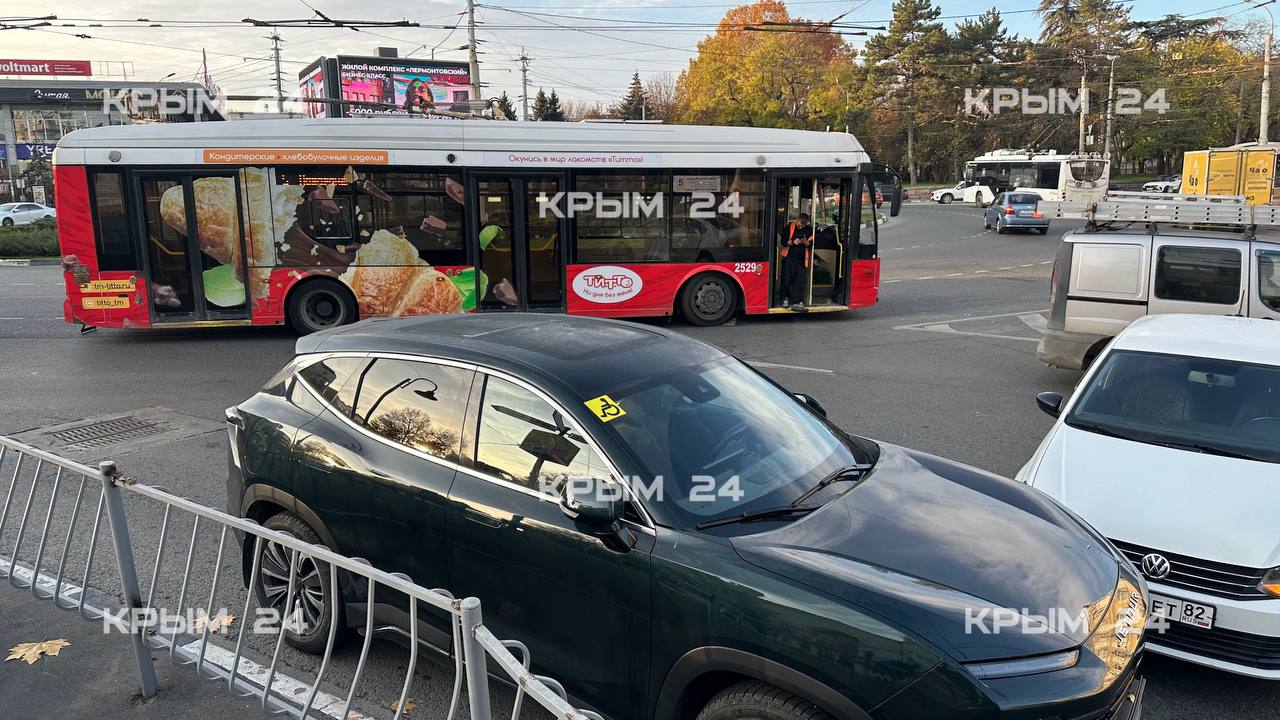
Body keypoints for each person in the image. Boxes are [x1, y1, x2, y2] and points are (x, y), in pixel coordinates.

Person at [779, 212, 812, 312]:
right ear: (797, 220)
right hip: (789, 257)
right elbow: (783, 242)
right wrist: (793, 242)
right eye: (799, 224)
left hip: (802, 260)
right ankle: (785, 299)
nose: (801, 227)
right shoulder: (789, 227)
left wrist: (805, 242)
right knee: (786, 278)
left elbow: (811, 243)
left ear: (806, 224)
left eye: (803, 226)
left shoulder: (809, 230)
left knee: (800, 280)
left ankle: (798, 301)